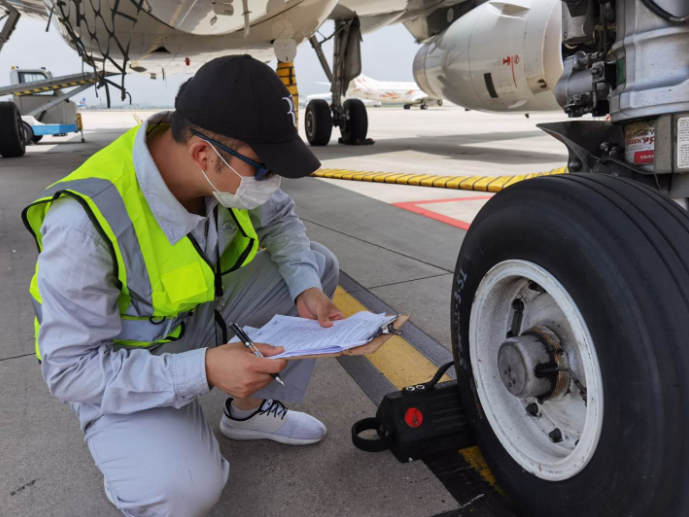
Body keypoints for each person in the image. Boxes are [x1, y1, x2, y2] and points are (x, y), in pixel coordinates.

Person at [22, 55, 344, 517]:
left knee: (315, 265)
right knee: (183, 492)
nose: (271, 181)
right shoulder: (82, 223)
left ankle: (247, 411)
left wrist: (306, 288)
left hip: (196, 321)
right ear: (203, 154)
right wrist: (204, 371)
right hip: (124, 368)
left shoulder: (224, 170)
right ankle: (138, 462)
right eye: (264, 168)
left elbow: (282, 222)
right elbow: (71, 371)